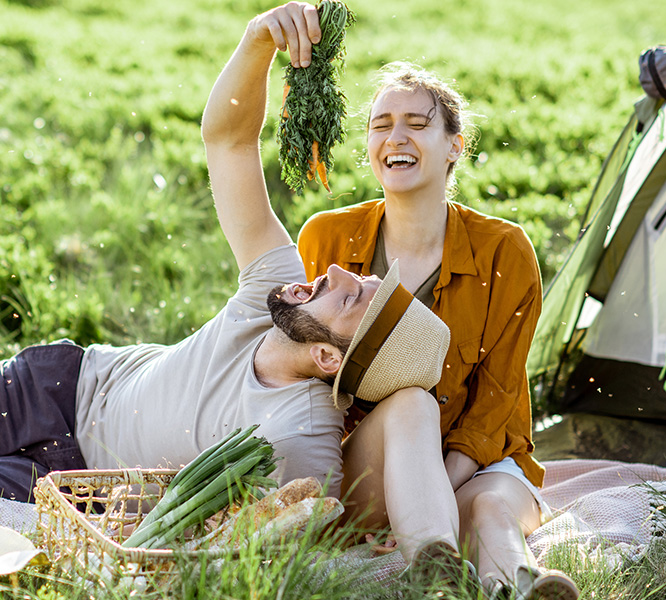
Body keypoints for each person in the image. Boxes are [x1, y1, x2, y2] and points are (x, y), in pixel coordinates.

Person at [0, 38, 452, 517]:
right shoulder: (274, 288)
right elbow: (227, 142)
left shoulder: (303, 441)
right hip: (62, 389)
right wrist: (259, 40)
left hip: (80, 490)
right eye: (354, 277)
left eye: (348, 294)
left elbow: (277, 531)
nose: (335, 270)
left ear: (324, 355)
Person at [237, 3, 579, 598]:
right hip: (367, 462)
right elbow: (303, 375)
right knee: (410, 409)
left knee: (491, 513)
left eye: (418, 124)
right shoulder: (328, 239)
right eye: (380, 125)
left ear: (454, 146)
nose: (395, 137)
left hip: (475, 462)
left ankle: (522, 588)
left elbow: (498, 399)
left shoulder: (505, 251)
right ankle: (455, 568)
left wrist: (438, 490)